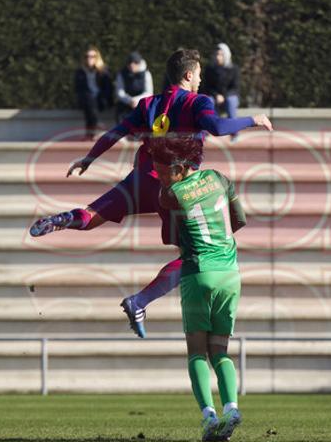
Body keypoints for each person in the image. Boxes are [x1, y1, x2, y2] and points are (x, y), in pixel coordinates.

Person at [29, 49, 272, 334]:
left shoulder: (148, 104)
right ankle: (140, 301)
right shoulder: (197, 101)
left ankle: (63, 220)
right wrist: (252, 120)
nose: (201, 80)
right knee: (193, 256)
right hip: (174, 189)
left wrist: (90, 158)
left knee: (91, 216)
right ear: (188, 75)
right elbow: (217, 127)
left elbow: (115, 132)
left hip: (141, 178)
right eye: (199, 75)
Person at [151, 135, 245, 442]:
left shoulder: (172, 194)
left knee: (196, 353)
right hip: (230, 273)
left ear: (179, 168)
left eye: (163, 171)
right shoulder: (220, 178)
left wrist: (167, 187)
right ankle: (232, 408)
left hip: (198, 273)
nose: (160, 177)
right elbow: (240, 220)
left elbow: (169, 233)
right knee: (220, 349)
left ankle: (209, 417)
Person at [74, 46, 113, 140]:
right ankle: (93, 132)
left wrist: (103, 98)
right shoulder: (80, 72)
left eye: (92, 56)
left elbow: (108, 88)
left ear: (97, 58)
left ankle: (90, 133)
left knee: (91, 104)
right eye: (87, 56)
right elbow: (78, 89)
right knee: (89, 100)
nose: (89, 59)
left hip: (101, 99)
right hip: (87, 99)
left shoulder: (104, 71)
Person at [114, 51, 154, 128]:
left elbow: (149, 92)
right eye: (130, 63)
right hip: (126, 101)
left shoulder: (146, 73)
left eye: (135, 62)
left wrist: (137, 100)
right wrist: (129, 100)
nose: (132, 65)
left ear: (139, 63)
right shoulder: (121, 74)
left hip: (141, 101)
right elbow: (119, 92)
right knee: (119, 109)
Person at [201, 43, 241, 119]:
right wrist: (216, 95)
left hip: (229, 96)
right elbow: (207, 86)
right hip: (214, 96)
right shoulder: (210, 69)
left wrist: (224, 96)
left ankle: (232, 126)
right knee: (208, 100)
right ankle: (213, 125)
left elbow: (235, 88)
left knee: (231, 100)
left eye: (221, 55)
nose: (218, 57)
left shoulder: (234, 69)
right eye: (216, 54)